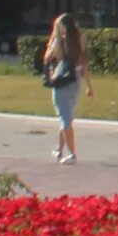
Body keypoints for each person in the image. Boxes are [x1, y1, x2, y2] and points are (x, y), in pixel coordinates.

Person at [40, 12, 85, 164]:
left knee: (64, 117)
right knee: (67, 116)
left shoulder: (60, 41)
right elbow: (84, 63)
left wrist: (53, 39)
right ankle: (60, 150)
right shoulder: (79, 39)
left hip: (62, 81)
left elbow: (47, 57)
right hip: (76, 79)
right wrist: (90, 86)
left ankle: (72, 154)